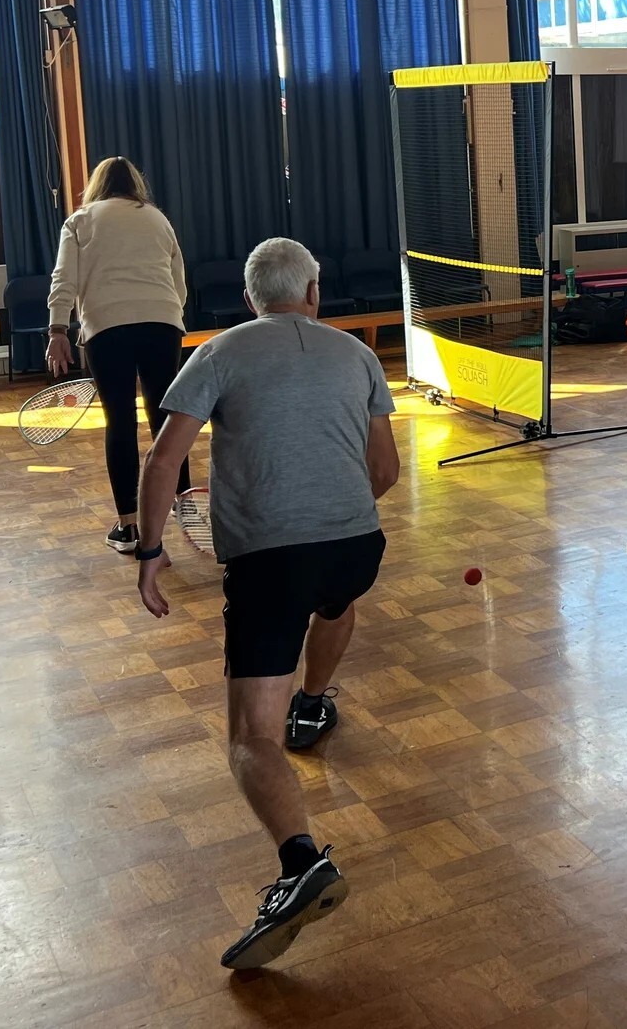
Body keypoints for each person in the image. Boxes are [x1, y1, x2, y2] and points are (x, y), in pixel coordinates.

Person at [133, 237, 399, 970]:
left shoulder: (219, 351)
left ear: (251, 299)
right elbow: (386, 470)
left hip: (270, 560)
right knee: (335, 598)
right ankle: (314, 697)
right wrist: (330, 516)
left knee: (252, 737)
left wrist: (150, 551)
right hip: (357, 546)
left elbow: (162, 457)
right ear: (313, 293)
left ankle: (300, 863)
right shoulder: (360, 354)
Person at [46, 157, 190, 554]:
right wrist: (169, 316)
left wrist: (58, 329)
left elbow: (65, 279)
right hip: (163, 322)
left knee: (120, 421)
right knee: (168, 417)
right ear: (135, 185)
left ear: (96, 185)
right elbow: (178, 281)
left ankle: (129, 527)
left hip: (107, 328)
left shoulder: (81, 220)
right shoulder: (158, 219)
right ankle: (185, 505)